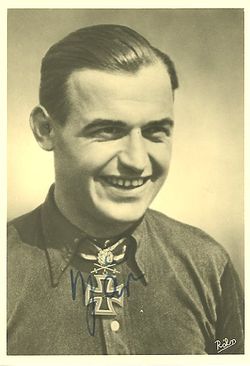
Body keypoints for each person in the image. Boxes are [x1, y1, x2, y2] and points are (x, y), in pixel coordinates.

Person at [7, 24, 244, 355]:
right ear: (46, 130)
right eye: (108, 130)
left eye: (155, 131)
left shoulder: (208, 265)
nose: (136, 161)